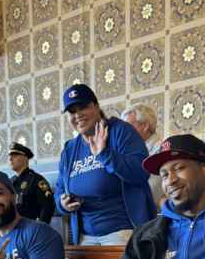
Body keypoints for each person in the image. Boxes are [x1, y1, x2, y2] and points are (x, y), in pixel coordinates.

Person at [54, 84, 156, 246]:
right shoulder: (69, 149)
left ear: (96, 106)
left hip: (123, 231)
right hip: (84, 236)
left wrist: (105, 155)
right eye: (72, 111)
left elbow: (141, 172)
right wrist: (63, 204)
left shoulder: (121, 131)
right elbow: (59, 190)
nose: (78, 114)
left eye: (83, 107)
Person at [121, 103, 164, 209]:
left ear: (145, 126)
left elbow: (153, 191)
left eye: (128, 127)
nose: (123, 133)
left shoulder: (162, 150)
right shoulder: (128, 152)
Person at [8, 142, 55, 224]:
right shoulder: (10, 182)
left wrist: (40, 228)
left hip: (30, 229)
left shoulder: (37, 180)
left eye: (15, 156)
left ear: (25, 158)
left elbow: (47, 206)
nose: (10, 159)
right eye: (10, 156)